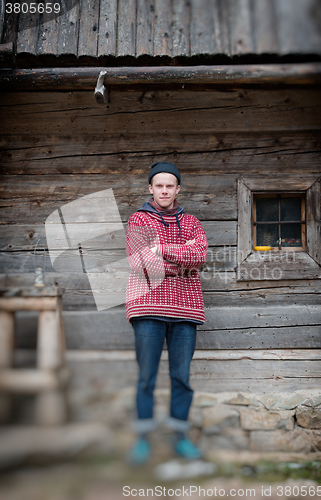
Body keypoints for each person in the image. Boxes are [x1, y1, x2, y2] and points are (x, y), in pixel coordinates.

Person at [125, 161, 208, 464]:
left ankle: (180, 437)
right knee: (146, 376)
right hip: (147, 308)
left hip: (186, 310)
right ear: (150, 188)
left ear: (177, 189)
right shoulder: (138, 220)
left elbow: (199, 257)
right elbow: (139, 264)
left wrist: (161, 249)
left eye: (169, 185)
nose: (164, 190)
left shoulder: (192, 222)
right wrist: (180, 255)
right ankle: (143, 439)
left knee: (181, 377)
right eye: (158, 185)